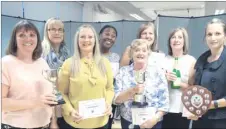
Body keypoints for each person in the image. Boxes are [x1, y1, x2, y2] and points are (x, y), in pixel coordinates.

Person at [1, 20, 57, 129]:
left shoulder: (42, 62)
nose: (28, 39)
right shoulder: (5, 63)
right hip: (16, 126)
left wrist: (53, 121)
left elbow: (50, 96)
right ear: (14, 40)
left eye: (32, 35)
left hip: (44, 125)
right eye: (22, 35)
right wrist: (35, 102)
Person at [58, 24, 114, 128]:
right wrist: (70, 110)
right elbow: (61, 93)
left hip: (101, 123)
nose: (86, 40)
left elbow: (110, 88)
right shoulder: (68, 64)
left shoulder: (105, 63)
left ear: (95, 40)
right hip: (75, 123)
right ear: (77, 40)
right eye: (82, 37)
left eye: (90, 37)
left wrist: (108, 103)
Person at [114, 39, 169, 129]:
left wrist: (154, 119)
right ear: (132, 53)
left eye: (144, 50)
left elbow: (164, 103)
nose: (140, 53)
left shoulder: (158, 72)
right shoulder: (123, 72)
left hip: (153, 122)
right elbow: (116, 99)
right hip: (129, 122)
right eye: (137, 50)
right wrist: (131, 91)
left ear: (148, 53)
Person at [187, 18, 226, 129]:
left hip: (221, 120)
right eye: (209, 34)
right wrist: (194, 108)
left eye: (217, 33)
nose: (213, 38)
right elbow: (195, 89)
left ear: (225, 36)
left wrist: (212, 104)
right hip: (200, 119)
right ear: (205, 38)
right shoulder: (201, 59)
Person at [162, 27, 196, 129]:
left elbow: (193, 88)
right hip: (164, 108)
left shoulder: (191, 60)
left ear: (184, 41)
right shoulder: (163, 60)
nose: (176, 40)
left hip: (182, 108)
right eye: (173, 37)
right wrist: (165, 80)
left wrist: (179, 83)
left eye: (180, 37)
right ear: (169, 41)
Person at [42, 17, 69, 128]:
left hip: (62, 104)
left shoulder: (66, 52)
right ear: (46, 32)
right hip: (48, 108)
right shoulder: (41, 52)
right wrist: (53, 120)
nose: (57, 32)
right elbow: (47, 88)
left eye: (60, 29)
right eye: (52, 29)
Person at [99, 25, 120, 128]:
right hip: (92, 98)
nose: (110, 37)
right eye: (107, 34)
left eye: (113, 36)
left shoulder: (116, 57)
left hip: (109, 101)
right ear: (99, 36)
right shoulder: (90, 55)